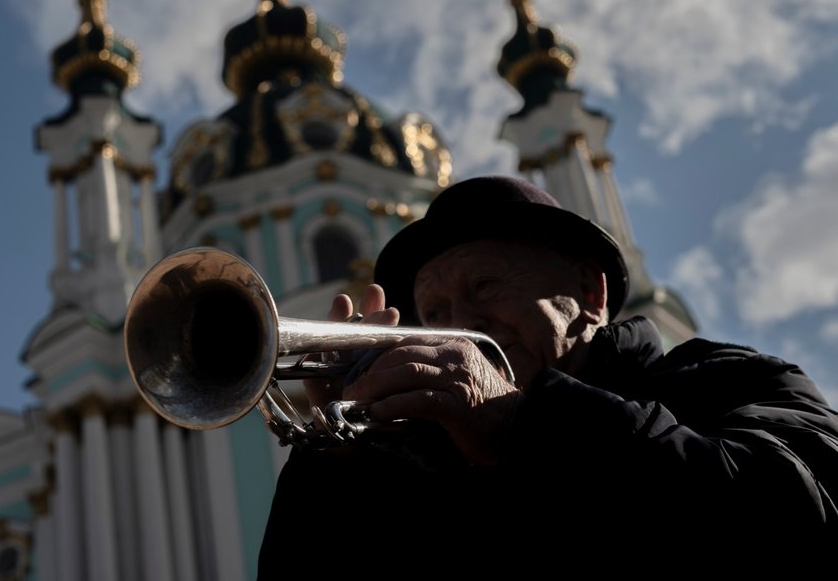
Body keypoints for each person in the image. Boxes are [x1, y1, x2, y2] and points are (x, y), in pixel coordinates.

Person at [258, 176, 838, 578]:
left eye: (485, 286)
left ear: (589, 293)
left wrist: (522, 420)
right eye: (434, 313)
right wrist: (338, 468)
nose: (458, 326)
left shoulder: (730, 380)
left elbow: (798, 517)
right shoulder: (422, 462)